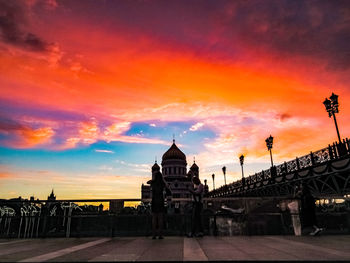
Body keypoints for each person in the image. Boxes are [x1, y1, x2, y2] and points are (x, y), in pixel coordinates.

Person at [147, 171, 171, 239]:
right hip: (161, 201)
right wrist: (163, 179)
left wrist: (153, 179)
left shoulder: (153, 182)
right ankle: (160, 235)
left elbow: (147, 182)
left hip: (154, 201)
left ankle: (154, 235)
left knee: (154, 218)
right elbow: (167, 186)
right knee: (160, 218)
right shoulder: (162, 183)